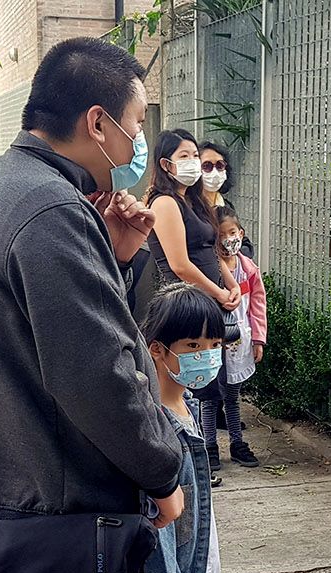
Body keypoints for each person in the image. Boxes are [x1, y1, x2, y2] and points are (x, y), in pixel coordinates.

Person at [0, 37, 184, 573]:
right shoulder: (49, 210)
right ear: (97, 122)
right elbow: (97, 376)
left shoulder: (6, 193)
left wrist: (110, 258)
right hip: (61, 534)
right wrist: (163, 471)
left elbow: (44, 336)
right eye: (137, 123)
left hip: (17, 527)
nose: (139, 138)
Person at [146, 129, 240, 472]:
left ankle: (205, 455)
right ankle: (193, 459)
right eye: (183, 156)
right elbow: (179, 264)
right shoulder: (165, 202)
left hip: (211, 305)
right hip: (185, 306)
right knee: (189, 382)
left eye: (193, 156)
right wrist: (217, 292)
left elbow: (210, 252)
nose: (193, 163)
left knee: (212, 382)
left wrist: (232, 285)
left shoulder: (195, 202)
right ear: (166, 164)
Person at [139, 283, 219, 573]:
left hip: (192, 571)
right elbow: (164, 534)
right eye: (192, 346)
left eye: (214, 346)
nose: (206, 356)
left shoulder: (187, 407)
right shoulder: (156, 426)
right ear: (157, 349)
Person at [214, 209, 266, 468]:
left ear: (241, 234)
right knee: (209, 397)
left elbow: (257, 304)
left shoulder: (248, 268)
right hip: (213, 342)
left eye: (232, 233)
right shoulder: (210, 269)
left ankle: (237, 443)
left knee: (232, 396)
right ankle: (209, 446)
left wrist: (258, 338)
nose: (227, 240)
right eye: (220, 235)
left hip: (239, 342)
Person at [198, 141, 254, 259]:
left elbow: (245, 245)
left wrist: (233, 254)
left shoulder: (226, 205)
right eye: (207, 166)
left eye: (220, 165)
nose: (215, 172)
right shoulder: (189, 207)